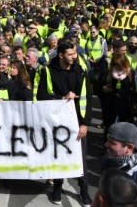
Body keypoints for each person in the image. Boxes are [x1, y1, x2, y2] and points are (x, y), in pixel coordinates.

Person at [36, 39, 91, 205]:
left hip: (77, 122)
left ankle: (84, 191)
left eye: (75, 53)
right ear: (61, 55)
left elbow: (87, 99)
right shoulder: (48, 71)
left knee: (81, 158)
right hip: (57, 121)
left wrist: (85, 123)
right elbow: (41, 96)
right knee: (59, 155)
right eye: (70, 54)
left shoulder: (81, 71)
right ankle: (57, 189)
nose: (75, 56)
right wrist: (61, 98)